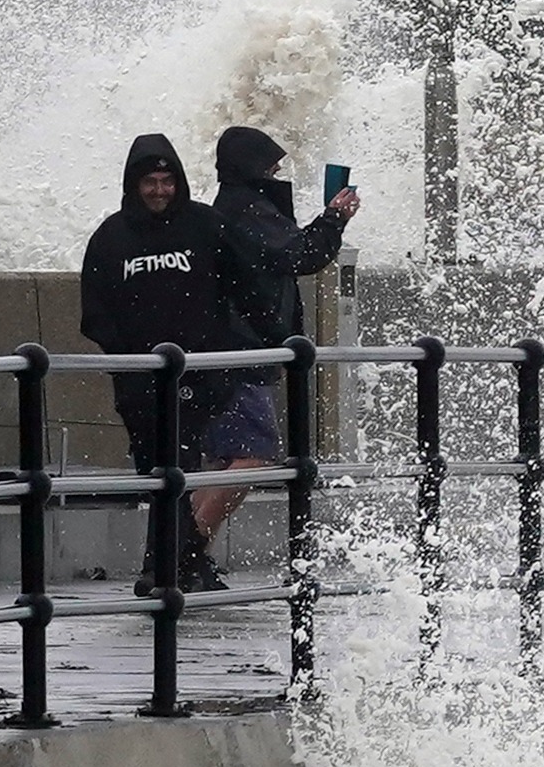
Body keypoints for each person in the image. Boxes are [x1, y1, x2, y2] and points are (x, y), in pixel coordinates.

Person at [80, 133, 289, 595]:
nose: (159, 191)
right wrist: (128, 355)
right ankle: (182, 565)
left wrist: (271, 339)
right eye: (150, 182)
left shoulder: (205, 226)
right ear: (133, 184)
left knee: (176, 470)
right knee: (155, 475)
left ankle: (166, 570)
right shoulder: (111, 237)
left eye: (166, 180)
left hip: (197, 376)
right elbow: (94, 313)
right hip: (139, 380)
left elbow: (246, 287)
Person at [205, 125, 360, 546]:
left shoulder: (235, 206)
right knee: (250, 455)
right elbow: (299, 254)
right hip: (244, 350)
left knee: (227, 459)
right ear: (250, 165)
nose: (276, 170)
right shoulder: (246, 210)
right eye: (270, 164)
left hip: (234, 348)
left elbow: (288, 248)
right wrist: (334, 219)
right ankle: (184, 553)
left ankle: (183, 551)